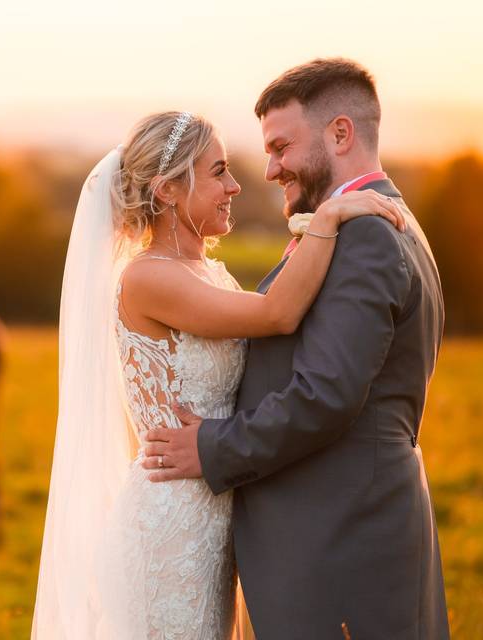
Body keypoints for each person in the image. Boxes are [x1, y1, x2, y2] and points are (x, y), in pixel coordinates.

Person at [31, 102, 404, 638]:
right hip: (170, 528)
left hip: (213, 512)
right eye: (218, 172)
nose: (234, 186)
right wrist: (328, 217)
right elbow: (277, 314)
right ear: (167, 191)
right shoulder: (147, 278)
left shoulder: (206, 271)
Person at [143, 58, 450, 639]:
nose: (270, 168)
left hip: (344, 539)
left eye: (281, 147)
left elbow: (325, 395)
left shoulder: (365, 236)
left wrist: (211, 447)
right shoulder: (369, 221)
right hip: (345, 529)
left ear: (341, 133)